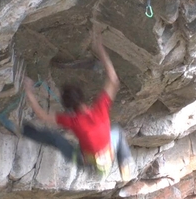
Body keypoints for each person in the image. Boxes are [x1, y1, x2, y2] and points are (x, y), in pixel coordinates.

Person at [11, 25, 133, 181]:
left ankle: (23, 130)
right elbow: (113, 80)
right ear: (83, 96)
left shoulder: (72, 120)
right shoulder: (100, 108)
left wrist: (29, 91)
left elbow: (41, 115)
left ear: (68, 106)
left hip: (89, 164)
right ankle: (125, 166)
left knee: (56, 139)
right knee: (116, 131)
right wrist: (100, 49)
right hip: (107, 157)